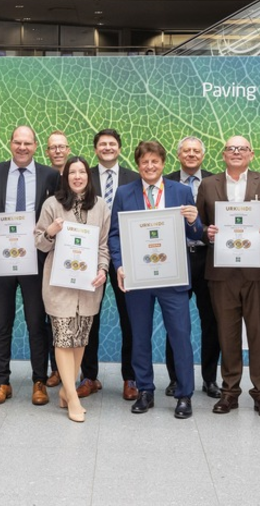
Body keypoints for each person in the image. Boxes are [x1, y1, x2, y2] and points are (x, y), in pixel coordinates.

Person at [109, 141, 202, 419]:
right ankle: (145, 390)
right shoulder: (124, 193)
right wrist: (120, 265)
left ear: (163, 164)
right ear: (138, 165)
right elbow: (115, 234)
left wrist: (194, 220)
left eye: (155, 162)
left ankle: (184, 394)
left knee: (180, 336)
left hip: (172, 276)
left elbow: (196, 233)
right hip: (138, 277)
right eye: (144, 162)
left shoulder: (181, 191)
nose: (150, 167)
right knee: (139, 336)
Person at [196, 136, 260, 418]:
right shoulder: (208, 185)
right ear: (223, 154)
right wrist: (206, 232)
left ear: (251, 154)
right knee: (227, 334)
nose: (236, 152)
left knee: (258, 333)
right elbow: (200, 224)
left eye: (241, 148)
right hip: (221, 271)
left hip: (256, 270)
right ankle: (230, 392)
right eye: (231, 148)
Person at [0, 125, 59, 407]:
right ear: (10, 144)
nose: (22, 148)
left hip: (35, 259)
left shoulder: (50, 175)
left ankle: (39, 381)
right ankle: (2, 382)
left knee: (36, 323)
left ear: (35, 146)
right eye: (17, 143)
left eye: (28, 143)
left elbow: (58, 211)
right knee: (1, 322)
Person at [35, 156, 110, 423]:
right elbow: (39, 243)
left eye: (82, 172)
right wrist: (51, 232)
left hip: (88, 286)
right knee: (63, 338)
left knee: (80, 339)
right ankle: (73, 398)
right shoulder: (51, 204)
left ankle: (67, 392)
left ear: (88, 177)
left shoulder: (101, 205)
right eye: (72, 173)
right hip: (59, 285)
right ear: (65, 177)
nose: (77, 177)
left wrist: (103, 269)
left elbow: (103, 245)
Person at [79, 129, 140, 401]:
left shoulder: (134, 178)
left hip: (127, 258)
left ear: (119, 148)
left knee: (130, 319)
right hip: (90, 258)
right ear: (95, 149)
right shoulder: (82, 177)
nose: (107, 147)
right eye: (102, 144)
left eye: (112, 144)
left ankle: (131, 378)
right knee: (89, 318)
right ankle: (89, 376)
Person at [162, 137, 221, 399]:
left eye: (196, 151)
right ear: (178, 155)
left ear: (203, 155)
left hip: (207, 258)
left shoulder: (215, 181)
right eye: (186, 151)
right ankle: (175, 379)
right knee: (175, 322)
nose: (191, 155)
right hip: (175, 258)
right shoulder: (164, 182)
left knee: (211, 320)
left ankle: (209, 379)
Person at [43, 130, 71, 386]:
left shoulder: (81, 176)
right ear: (47, 152)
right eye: (53, 147)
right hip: (48, 257)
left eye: (62, 146)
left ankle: (78, 371)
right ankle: (54, 368)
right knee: (50, 315)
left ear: (69, 150)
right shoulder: (45, 179)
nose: (58, 151)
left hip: (77, 259)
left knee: (77, 316)